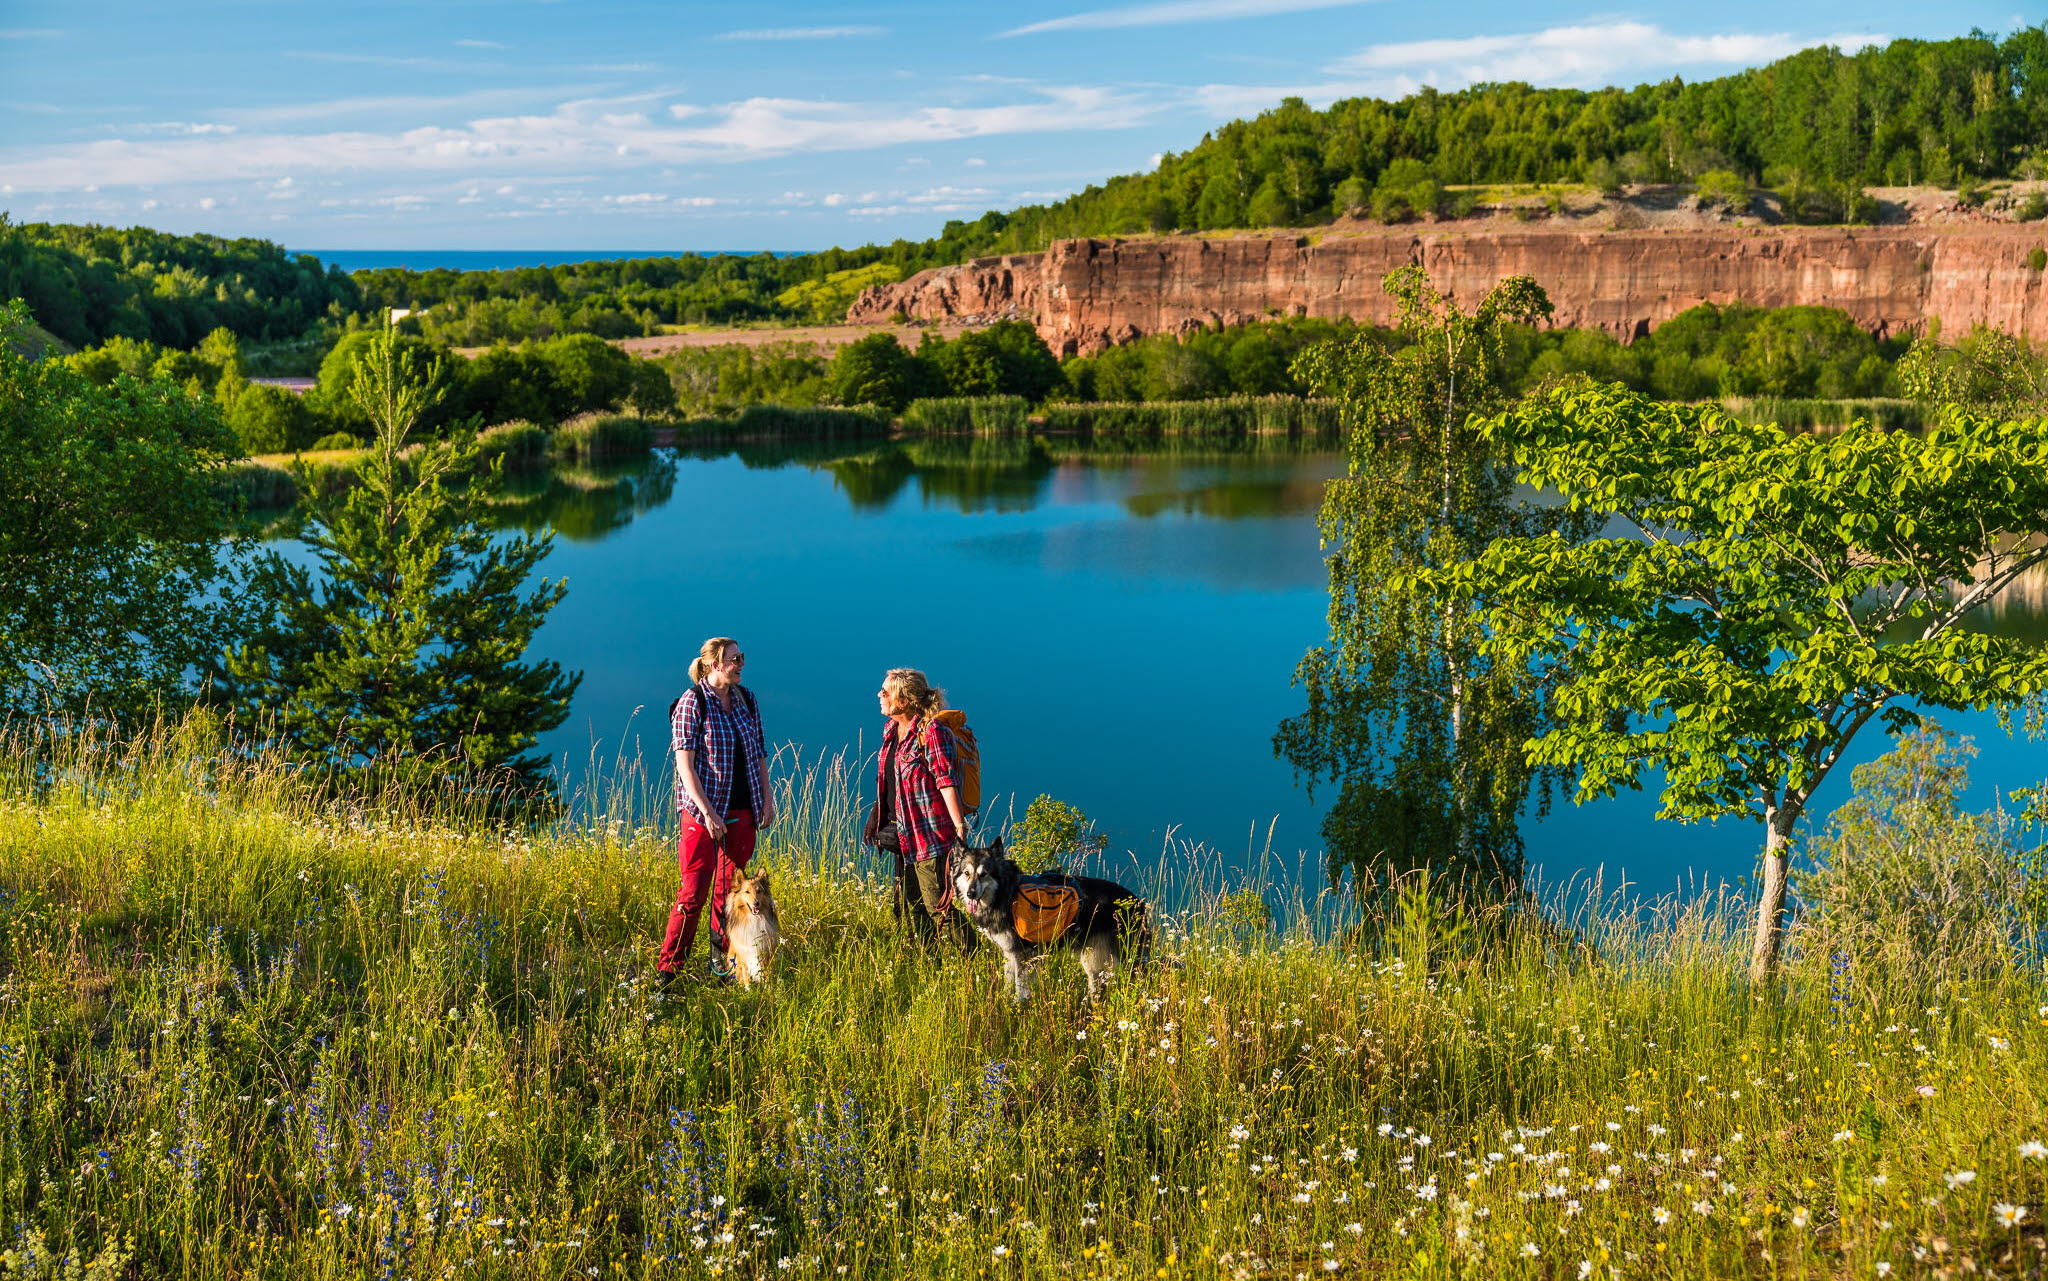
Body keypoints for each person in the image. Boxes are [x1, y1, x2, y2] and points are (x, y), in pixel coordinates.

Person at [659, 636, 774, 986]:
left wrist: (767, 799)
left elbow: (758, 754)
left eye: (741, 657)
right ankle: (669, 970)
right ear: (713, 664)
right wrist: (707, 812)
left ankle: (723, 965)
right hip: (702, 812)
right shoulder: (692, 702)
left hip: (743, 809)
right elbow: (685, 765)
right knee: (693, 892)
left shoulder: (746, 699)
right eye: (734, 659)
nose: (741, 664)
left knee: (729, 893)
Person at [869, 667, 973, 950]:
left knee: (938, 905)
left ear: (904, 700)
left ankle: (974, 958)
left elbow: (946, 781)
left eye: (886, 692)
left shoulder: (932, 733)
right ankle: (929, 962)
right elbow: (891, 781)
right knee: (910, 906)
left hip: (930, 838)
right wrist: (877, 814)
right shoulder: (892, 730)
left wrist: (960, 829)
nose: (879, 695)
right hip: (904, 835)